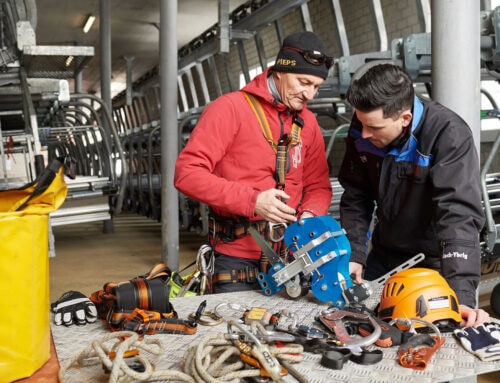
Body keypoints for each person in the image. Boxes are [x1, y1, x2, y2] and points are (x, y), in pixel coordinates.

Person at [174, 31, 333, 293]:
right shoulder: (229, 109)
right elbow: (186, 174)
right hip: (236, 259)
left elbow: (318, 186)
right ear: (280, 70)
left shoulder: (309, 124)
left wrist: (309, 217)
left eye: (316, 86)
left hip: (293, 257)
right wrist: (253, 202)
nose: (310, 95)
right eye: (304, 82)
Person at [338, 63, 489, 326]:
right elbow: (356, 194)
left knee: (428, 339)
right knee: (362, 326)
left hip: (433, 266)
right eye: (361, 123)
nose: (363, 134)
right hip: (383, 257)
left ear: (405, 118)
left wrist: (460, 293)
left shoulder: (447, 134)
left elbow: (458, 215)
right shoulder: (364, 124)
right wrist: (354, 253)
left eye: (373, 127)